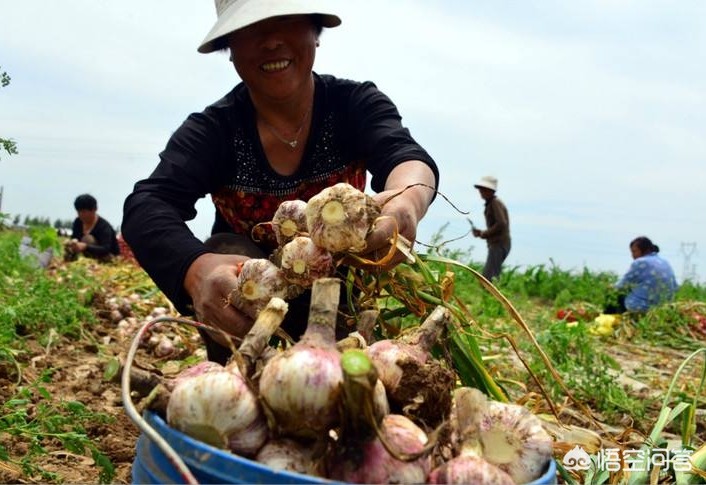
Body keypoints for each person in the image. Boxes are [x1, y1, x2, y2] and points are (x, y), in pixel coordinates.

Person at [121, 0, 439, 364]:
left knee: (339, 376)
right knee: (227, 246)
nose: (271, 39)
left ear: (314, 31)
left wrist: (407, 202)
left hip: (336, 286)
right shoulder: (213, 131)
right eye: (250, 27)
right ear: (230, 49)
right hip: (248, 295)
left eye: (285, 19)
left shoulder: (353, 105)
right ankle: (238, 377)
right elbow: (148, 203)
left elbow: (405, 156)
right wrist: (196, 271)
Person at [605, 236, 678, 313]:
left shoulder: (640, 262)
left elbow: (620, 286)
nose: (632, 255)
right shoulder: (664, 262)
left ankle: (611, 319)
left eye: (634, 251)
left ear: (644, 250)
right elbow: (675, 287)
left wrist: (610, 287)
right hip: (664, 306)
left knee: (615, 294)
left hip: (643, 306)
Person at [471, 176, 510, 281]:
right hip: (497, 244)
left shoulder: (495, 203)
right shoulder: (491, 204)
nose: (480, 191)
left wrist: (484, 234)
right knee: (491, 276)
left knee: (489, 278)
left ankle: (493, 297)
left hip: (499, 244)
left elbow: (501, 223)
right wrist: (481, 233)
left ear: (490, 190)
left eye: (483, 189)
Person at [65, 194, 120, 262]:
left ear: (94, 210)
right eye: (78, 212)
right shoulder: (78, 222)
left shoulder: (104, 226)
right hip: (86, 255)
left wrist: (86, 247)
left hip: (107, 256)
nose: (81, 215)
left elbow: (106, 248)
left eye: (84, 212)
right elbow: (74, 237)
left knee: (88, 239)